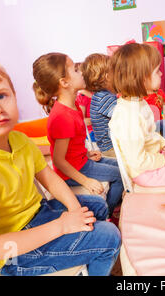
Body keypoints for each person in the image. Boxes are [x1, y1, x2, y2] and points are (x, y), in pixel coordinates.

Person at [0, 52, 120, 276]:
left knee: (97, 207)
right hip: (12, 253)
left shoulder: (18, 140)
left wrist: (74, 212)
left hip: (37, 215)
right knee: (109, 235)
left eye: (1, 95)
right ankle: (95, 248)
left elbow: (51, 179)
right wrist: (62, 226)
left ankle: (88, 249)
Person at [32, 52, 123, 216]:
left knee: (122, 166)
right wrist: (85, 181)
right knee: (120, 175)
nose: (82, 72)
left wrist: (87, 153)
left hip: (82, 161)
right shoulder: (62, 117)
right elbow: (59, 161)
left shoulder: (73, 105)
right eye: (75, 70)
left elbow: (72, 146)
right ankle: (107, 213)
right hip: (75, 171)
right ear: (64, 82)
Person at [109, 43, 165, 187]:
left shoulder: (139, 103)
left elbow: (151, 134)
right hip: (145, 173)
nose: (161, 74)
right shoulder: (128, 115)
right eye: (157, 71)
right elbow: (137, 161)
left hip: (153, 162)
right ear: (142, 78)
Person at [81, 53, 117, 158]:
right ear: (107, 77)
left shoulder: (102, 95)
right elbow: (122, 116)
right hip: (112, 149)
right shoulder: (104, 98)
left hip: (108, 146)